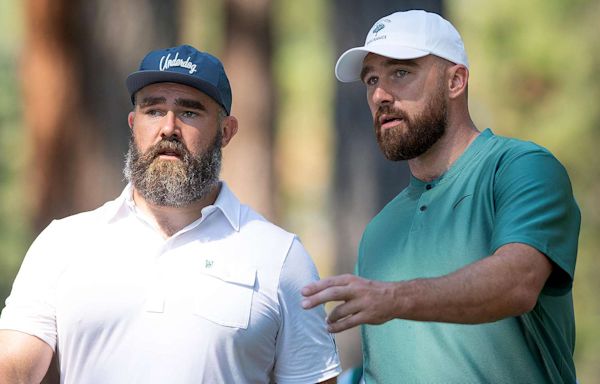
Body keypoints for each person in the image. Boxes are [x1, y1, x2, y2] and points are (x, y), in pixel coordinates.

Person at [0, 44, 341, 384]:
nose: (168, 128)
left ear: (226, 132)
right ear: (134, 124)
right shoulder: (63, 243)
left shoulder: (280, 257)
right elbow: (14, 370)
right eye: (153, 110)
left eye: (190, 112)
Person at [302, 10, 580, 384]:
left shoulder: (520, 168)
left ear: (455, 81)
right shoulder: (379, 231)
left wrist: (394, 299)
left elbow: (517, 283)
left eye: (400, 72)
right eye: (371, 80)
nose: (380, 94)